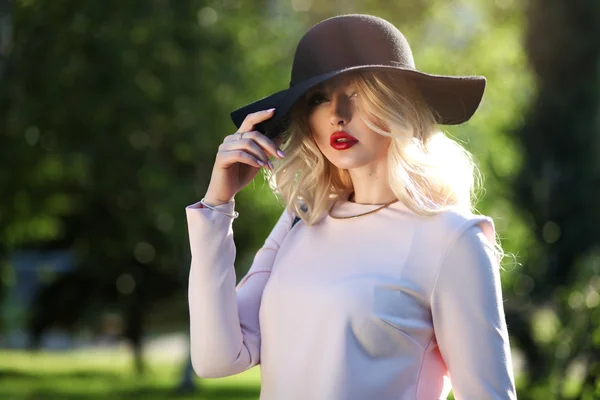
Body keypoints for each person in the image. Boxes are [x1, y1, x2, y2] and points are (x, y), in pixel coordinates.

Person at [186, 14, 517, 400]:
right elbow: (216, 359)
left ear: (400, 103)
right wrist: (216, 207)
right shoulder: (301, 221)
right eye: (319, 98)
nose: (338, 113)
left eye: (358, 92)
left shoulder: (452, 238)